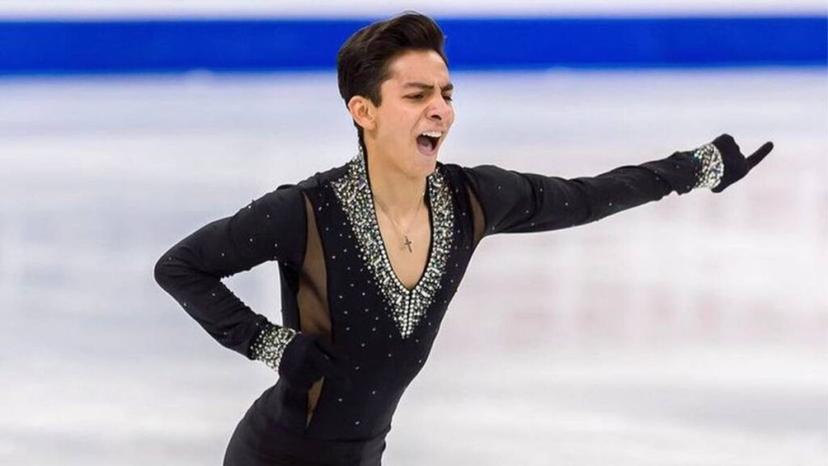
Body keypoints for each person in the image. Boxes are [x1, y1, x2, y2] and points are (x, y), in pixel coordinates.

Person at [153, 11, 773, 466]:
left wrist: (695, 168)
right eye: (417, 95)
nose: (441, 110)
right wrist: (269, 344)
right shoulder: (306, 211)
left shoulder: (471, 199)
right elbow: (181, 267)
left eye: (447, 94)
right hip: (275, 456)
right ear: (363, 112)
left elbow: (585, 196)